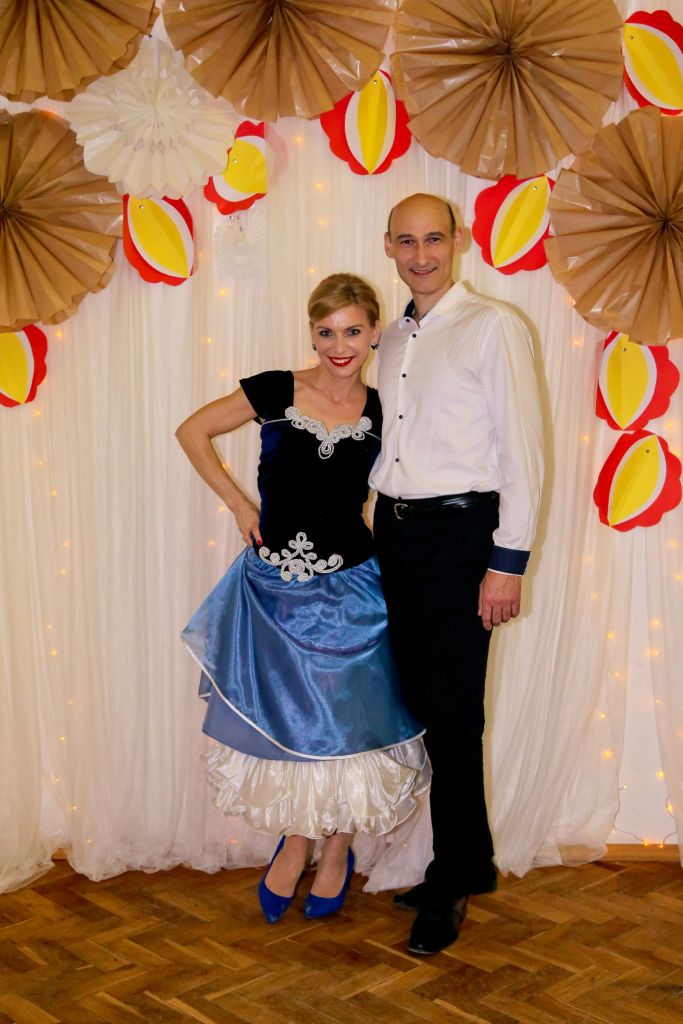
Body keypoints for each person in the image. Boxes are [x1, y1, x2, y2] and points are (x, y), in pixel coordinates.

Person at [176, 273, 428, 925]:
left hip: (353, 590)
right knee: (292, 727)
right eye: (326, 332)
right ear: (311, 333)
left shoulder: (387, 408)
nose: (338, 346)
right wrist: (239, 505)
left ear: (374, 333)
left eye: (352, 331)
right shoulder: (274, 389)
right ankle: (295, 841)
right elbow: (192, 431)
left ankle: (336, 846)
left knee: (351, 728)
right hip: (274, 592)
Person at [371, 193, 544, 955]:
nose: (421, 255)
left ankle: (449, 881)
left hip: (460, 534)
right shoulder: (390, 337)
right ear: (388, 246)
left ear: (458, 241)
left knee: (453, 714)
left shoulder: (491, 325)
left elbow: (522, 451)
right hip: (395, 534)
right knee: (417, 704)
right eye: (406, 241)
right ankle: (469, 861)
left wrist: (505, 562)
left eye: (433, 239)